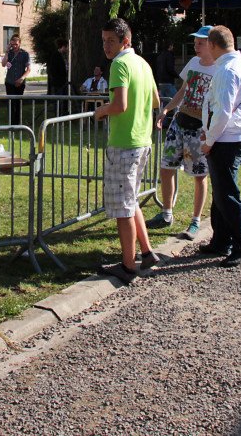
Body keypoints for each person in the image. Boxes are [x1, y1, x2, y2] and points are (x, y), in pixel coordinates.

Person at [94, 18, 161, 283]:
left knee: (123, 208)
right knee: (131, 200)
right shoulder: (142, 63)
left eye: (111, 41)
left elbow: (119, 105)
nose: (106, 46)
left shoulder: (120, 64)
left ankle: (127, 265)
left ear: (125, 41)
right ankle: (146, 252)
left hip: (124, 144)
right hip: (142, 141)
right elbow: (155, 99)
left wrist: (100, 111)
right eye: (104, 40)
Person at [148, 25, 217, 238]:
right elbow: (183, 90)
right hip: (179, 123)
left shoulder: (219, 68)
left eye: (201, 42)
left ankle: (195, 221)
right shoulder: (194, 63)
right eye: (195, 42)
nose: (196, 46)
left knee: (199, 175)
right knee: (166, 167)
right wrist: (167, 109)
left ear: (211, 44)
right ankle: (166, 213)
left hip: (199, 129)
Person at [200, 25, 241, 267]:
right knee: (221, 193)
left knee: (228, 195)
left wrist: (209, 141)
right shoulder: (236, 64)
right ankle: (221, 240)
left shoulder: (227, 71)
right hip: (232, 137)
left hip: (227, 139)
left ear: (213, 45)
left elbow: (222, 112)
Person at [1, 34, 31, 124]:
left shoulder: (25, 54)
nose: (14, 46)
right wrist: (6, 51)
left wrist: (22, 78)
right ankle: (11, 122)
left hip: (20, 83)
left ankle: (18, 122)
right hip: (9, 82)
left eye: (16, 44)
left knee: (18, 103)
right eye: (12, 44)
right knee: (10, 103)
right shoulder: (9, 53)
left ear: (20, 43)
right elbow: (3, 64)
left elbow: (28, 69)